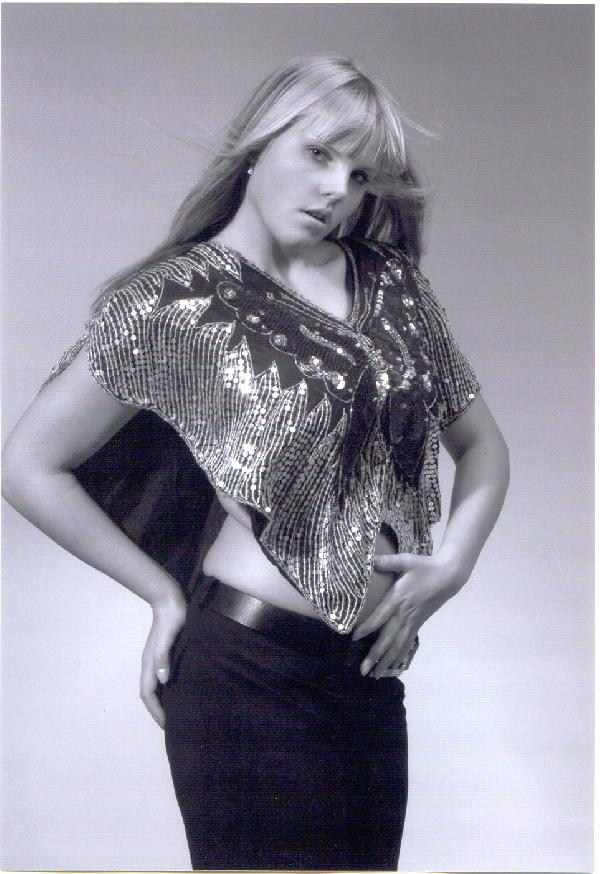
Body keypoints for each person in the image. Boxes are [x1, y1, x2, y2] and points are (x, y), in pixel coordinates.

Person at [2, 52, 510, 871]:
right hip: (244, 678)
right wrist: (160, 593)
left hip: (369, 679)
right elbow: (28, 464)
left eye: (360, 175)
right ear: (258, 142)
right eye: (318, 153)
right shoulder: (176, 300)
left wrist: (451, 565)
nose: (336, 190)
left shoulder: (392, 284)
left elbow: (482, 445)